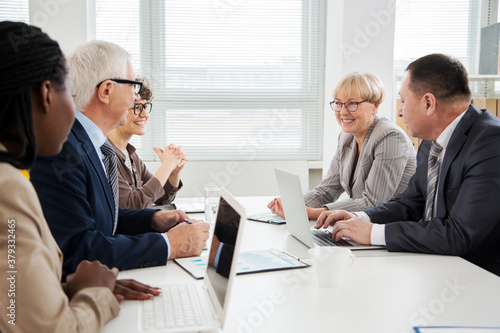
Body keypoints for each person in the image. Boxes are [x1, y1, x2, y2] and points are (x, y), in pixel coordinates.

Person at [0, 22, 160, 333]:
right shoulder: (7, 188)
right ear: (46, 94)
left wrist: (62, 290)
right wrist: (95, 293)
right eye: (69, 92)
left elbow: (12, 300)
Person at [31, 40, 209, 279]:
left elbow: (100, 219)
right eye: (134, 86)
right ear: (106, 91)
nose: (136, 96)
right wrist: (169, 245)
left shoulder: (91, 143)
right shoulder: (62, 151)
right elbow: (77, 249)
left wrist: (153, 220)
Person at [317, 54, 500, 276]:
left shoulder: (491, 143)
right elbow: (410, 203)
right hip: (433, 265)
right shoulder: (431, 140)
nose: (400, 111)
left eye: (403, 101)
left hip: (478, 278)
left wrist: (373, 233)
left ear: (428, 103)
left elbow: (459, 235)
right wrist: (361, 218)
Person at [268, 72, 416, 220]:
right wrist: (292, 204)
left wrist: (310, 213)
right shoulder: (347, 137)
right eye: (338, 103)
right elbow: (327, 190)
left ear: (375, 106)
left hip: (388, 230)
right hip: (361, 227)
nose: (343, 112)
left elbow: (373, 203)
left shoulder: (390, 137)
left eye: (352, 103)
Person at [107, 77, 186, 209]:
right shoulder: (106, 155)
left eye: (145, 107)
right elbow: (133, 204)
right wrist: (166, 166)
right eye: (137, 107)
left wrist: (173, 172)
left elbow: (161, 197)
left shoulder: (130, 154)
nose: (145, 114)